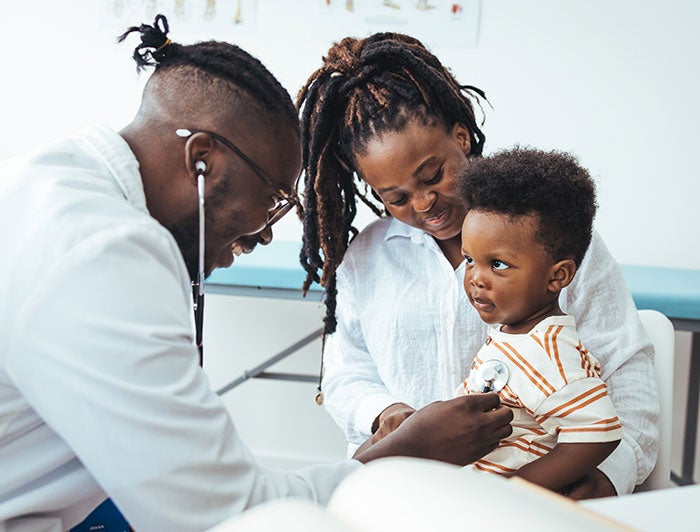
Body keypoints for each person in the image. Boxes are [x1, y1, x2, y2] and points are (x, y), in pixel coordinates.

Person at [0, 17, 512, 531]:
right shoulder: (105, 254)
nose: (266, 232)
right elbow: (226, 513)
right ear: (203, 160)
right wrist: (406, 450)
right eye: (272, 198)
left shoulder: (48, 181)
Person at [296, 32, 659, 498]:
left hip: (529, 494)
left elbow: (626, 370)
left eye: (433, 176)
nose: (425, 203)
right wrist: (388, 414)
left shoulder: (548, 235)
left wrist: (608, 478)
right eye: (397, 198)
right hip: (407, 489)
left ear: (461, 137)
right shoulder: (366, 260)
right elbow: (346, 374)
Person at [455, 147, 622, 492]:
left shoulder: (548, 352)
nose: (476, 278)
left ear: (557, 276)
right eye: (469, 259)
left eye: (497, 264)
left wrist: (519, 489)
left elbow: (599, 433)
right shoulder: (515, 332)